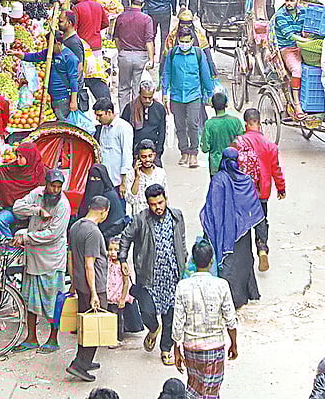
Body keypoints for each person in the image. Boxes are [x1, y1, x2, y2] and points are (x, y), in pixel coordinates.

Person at [120, 184, 187, 366]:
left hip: (172, 276)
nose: (158, 207)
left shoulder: (176, 216)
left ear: (166, 199)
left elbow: (181, 239)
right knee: (148, 312)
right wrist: (123, 259)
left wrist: (184, 256)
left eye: (160, 202)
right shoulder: (140, 219)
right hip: (149, 276)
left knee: (171, 316)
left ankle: (166, 350)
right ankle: (152, 329)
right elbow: (125, 238)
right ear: (148, 204)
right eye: (153, 204)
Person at [11, 168, 71, 353]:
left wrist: (26, 238)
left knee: (53, 301)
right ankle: (31, 338)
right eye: (52, 186)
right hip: (33, 258)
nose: (55, 190)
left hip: (51, 260)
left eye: (58, 187)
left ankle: (53, 339)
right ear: (46, 185)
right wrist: (37, 210)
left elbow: (53, 234)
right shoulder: (37, 194)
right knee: (29, 299)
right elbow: (17, 208)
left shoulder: (63, 206)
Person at [172, 239, 237, 398]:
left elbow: (178, 322)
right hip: (214, 348)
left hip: (191, 347)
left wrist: (176, 349)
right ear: (212, 261)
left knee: (194, 388)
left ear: (193, 260)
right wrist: (234, 344)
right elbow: (230, 319)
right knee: (211, 392)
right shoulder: (222, 285)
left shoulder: (183, 286)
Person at [201, 148, 263, 309]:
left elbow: (211, 208)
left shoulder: (218, 180)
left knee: (227, 265)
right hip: (242, 233)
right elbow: (253, 208)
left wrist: (209, 231)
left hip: (223, 232)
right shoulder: (246, 181)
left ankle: (228, 301)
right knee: (243, 262)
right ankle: (244, 296)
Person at [234, 108, 285, 272]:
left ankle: (242, 257)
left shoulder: (239, 142)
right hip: (262, 191)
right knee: (261, 220)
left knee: (242, 222)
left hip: (244, 190)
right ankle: (262, 249)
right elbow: (275, 168)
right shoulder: (270, 145)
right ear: (259, 123)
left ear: (246, 123)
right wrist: (281, 187)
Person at [67, 194, 110, 382]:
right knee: (95, 327)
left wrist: (73, 283)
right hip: (94, 286)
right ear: (103, 212)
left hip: (80, 284)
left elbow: (70, 257)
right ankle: (80, 364)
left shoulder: (76, 226)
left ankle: (85, 359)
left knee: (85, 326)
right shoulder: (93, 233)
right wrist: (94, 293)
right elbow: (89, 264)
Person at [162, 30, 215, 169]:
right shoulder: (172, 54)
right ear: (178, 40)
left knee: (193, 124)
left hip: (194, 95)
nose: (184, 44)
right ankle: (184, 151)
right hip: (176, 96)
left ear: (192, 41)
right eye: (182, 41)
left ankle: (193, 153)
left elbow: (205, 74)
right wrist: (164, 91)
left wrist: (210, 93)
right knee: (180, 125)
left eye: (187, 42)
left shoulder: (198, 54)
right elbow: (167, 73)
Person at [23, 33, 82, 123]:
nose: (48, 47)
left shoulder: (70, 58)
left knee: (64, 123)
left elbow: (73, 80)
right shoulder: (50, 52)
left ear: (58, 44)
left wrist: (73, 101)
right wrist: (20, 55)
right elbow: (35, 57)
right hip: (53, 97)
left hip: (63, 98)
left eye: (50, 45)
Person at [0, 141, 46, 237]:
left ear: (30, 156)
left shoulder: (41, 172)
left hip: (34, 211)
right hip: (13, 210)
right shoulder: (11, 169)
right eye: (17, 156)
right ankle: (8, 249)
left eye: (21, 157)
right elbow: (2, 171)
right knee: (0, 220)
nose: (17, 159)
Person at [267, 0, 306, 118]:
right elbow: (290, 36)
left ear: (297, 2)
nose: (289, 3)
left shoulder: (303, 12)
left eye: (292, 1)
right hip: (287, 48)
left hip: (303, 48)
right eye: (287, 0)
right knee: (297, 70)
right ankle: (297, 104)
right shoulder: (280, 15)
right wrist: (307, 41)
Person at [114, 0, 156, 108]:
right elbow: (149, 41)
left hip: (124, 55)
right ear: (142, 4)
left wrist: (121, 52)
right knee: (137, 88)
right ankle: (135, 114)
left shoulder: (121, 17)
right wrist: (151, 59)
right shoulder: (146, 19)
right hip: (140, 57)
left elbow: (117, 38)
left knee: (123, 87)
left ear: (130, 2)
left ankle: (124, 114)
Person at [93, 98, 133, 195]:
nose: (97, 119)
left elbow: (126, 156)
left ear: (109, 112)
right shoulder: (103, 127)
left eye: (100, 115)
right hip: (104, 181)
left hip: (118, 183)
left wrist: (123, 183)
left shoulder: (123, 128)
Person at [79, 164, 130, 238]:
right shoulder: (88, 193)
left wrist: (102, 235)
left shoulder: (111, 195)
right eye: (92, 178)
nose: (94, 181)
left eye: (97, 179)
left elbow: (118, 223)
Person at [200, 93, 243, 175]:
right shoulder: (235, 121)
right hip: (234, 165)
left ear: (212, 105)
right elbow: (241, 141)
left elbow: (205, 148)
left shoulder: (209, 124)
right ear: (226, 104)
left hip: (216, 167)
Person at [126, 138, 167, 215]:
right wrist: (137, 177)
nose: (147, 160)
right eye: (144, 157)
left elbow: (166, 197)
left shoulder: (160, 173)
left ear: (154, 155)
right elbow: (130, 200)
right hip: (139, 217)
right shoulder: (131, 175)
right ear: (138, 157)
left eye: (150, 156)